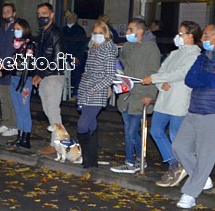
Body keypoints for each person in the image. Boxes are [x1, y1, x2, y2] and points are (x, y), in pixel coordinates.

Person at [171, 23, 215, 209]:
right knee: (179, 146)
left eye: (206, 36)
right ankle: (201, 179)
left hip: (214, 111)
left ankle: (190, 194)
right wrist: (208, 75)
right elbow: (189, 80)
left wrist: (204, 76)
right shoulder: (202, 57)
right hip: (195, 108)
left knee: (205, 155)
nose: (202, 39)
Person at [139, 21, 202, 186]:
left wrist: (155, 79)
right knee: (156, 130)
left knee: (175, 134)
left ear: (191, 36)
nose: (178, 37)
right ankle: (175, 163)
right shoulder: (174, 53)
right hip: (165, 98)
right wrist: (160, 83)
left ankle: (180, 164)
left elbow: (181, 73)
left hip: (179, 99)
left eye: (182, 34)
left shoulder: (195, 55)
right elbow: (163, 71)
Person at [110, 18, 161, 174]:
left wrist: (151, 95)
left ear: (140, 31)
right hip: (126, 94)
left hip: (140, 95)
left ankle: (134, 161)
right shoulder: (128, 46)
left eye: (130, 30)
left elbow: (154, 73)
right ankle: (135, 160)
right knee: (129, 131)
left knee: (132, 131)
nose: (127, 33)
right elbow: (123, 62)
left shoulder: (151, 49)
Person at [76, 21, 118, 169]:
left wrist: (96, 88)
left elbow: (109, 75)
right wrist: (82, 88)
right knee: (90, 123)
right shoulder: (92, 48)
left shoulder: (108, 49)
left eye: (100, 33)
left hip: (97, 92)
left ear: (106, 34)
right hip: (86, 90)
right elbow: (87, 71)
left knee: (82, 124)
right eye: (95, 33)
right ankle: (90, 160)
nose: (97, 36)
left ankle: (87, 157)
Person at [32, 3, 66, 149]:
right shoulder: (43, 33)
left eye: (44, 14)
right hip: (45, 75)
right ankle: (59, 141)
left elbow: (58, 58)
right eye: (39, 14)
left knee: (52, 110)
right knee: (48, 110)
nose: (41, 17)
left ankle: (57, 144)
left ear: (52, 15)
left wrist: (41, 74)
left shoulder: (55, 33)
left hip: (53, 75)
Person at [6, 18, 37, 149]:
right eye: (15, 29)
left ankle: (26, 138)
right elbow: (13, 64)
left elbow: (27, 67)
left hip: (24, 81)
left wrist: (22, 84)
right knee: (17, 109)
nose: (16, 32)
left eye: (19, 29)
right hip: (14, 79)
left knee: (24, 110)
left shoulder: (29, 45)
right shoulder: (17, 45)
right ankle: (20, 136)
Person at [0, 3, 19, 137]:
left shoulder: (17, 29)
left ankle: (14, 125)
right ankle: (6, 122)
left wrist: (5, 65)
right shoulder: (2, 29)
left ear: (14, 13)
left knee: (10, 97)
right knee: (2, 96)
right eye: (4, 12)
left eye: (8, 12)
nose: (5, 15)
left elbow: (14, 50)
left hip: (9, 68)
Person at [63, 10, 87, 100]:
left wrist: (78, 56)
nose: (69, 19)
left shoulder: (80, 30)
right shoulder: (63, 30)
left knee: (77, 73)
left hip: (75, 55)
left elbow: (82, 45)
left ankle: (76, 93)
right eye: (68, 17)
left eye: (71, 17)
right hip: (64, 55)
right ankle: (62, 92)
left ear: (75, 19)